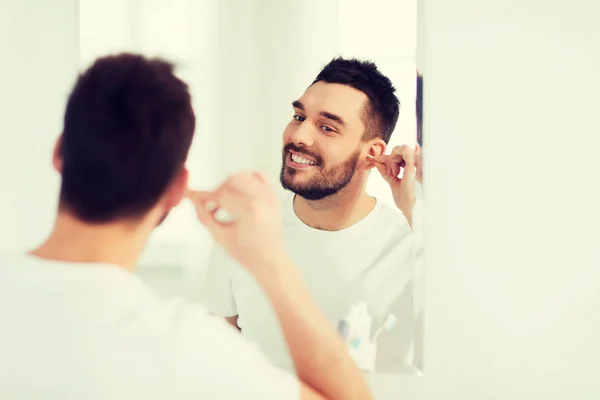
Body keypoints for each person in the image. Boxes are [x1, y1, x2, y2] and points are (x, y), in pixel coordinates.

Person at [0, 54, 373, 400]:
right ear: (178, 188)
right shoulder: (184, 350)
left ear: (59, 152)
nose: (300, 135)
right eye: (299, 117)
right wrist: (271, 264)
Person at [203, 57, 424, 373]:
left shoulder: (410, 240)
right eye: (298, 116)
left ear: (371, 154)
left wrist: (414, 210)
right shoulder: (243, 230)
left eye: (327, 127)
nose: (298, 136)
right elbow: (217, 359)